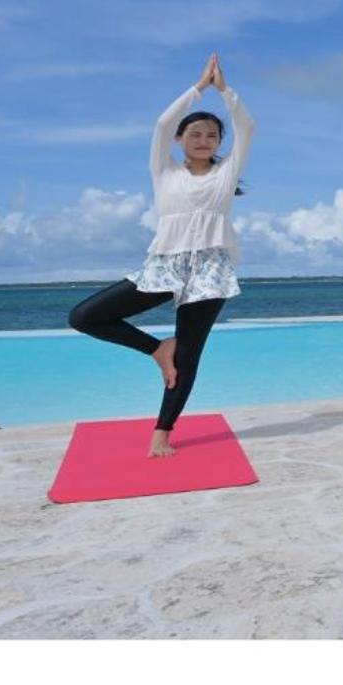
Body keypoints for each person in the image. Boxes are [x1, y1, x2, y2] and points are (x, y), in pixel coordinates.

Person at [67, 52, 254, 457]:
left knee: (189, 354)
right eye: (195, 134)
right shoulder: (164, 170)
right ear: (179, 140)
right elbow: (162, 123)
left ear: (220, 143)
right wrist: (199, 88)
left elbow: (247, 126)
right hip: (165, 265)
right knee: (83, 316)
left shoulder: (226, 173)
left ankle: (162, 434)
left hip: (210, 270)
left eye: (212, 135)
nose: (203, 140)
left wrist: (226, 92)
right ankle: (157, 349)